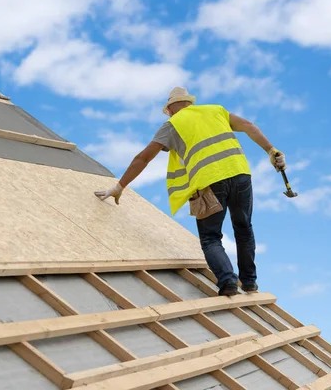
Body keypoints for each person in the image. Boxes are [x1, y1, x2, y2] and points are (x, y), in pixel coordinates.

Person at [94, 87, 286, 296]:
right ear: (189, 103)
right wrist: (271, 150)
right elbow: (249, 126)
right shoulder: (216, 110)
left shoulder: (172, 125)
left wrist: (119, 186)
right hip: (240, 174)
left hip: (209, 182)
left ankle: (228, 281)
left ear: (169, 110)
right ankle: (249, 283)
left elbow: (144, 158)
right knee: (244, 228)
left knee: (210, 237)